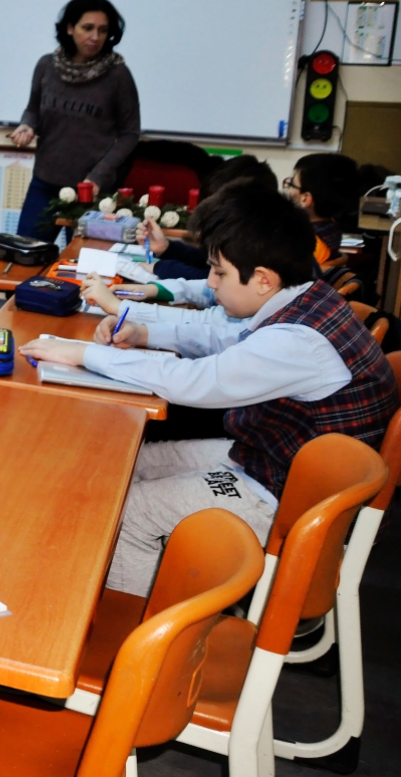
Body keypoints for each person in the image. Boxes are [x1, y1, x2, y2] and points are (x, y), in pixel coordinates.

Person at [22, 184, 397, 596]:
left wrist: (84, 354)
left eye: (219, 272)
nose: (211, 284)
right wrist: (144, 333)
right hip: (275, 462)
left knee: (130, 512)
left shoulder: (298, 341)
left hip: (290, 502)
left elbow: (196, 381)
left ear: (263, 279)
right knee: (122, 462)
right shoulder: (302, 298)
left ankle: (149, 629)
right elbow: (222, 336)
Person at [11, 0, 141, 238]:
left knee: (83, 259)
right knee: (27, 253)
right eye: (87, 28)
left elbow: (130, 134)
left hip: (92, 191)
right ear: (70, 28)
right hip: (45, 184)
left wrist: (98, 176)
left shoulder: (118, 76)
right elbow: (33, 109)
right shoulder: (46, 66)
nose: (95, 37)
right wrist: (28, 125)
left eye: (103, 30)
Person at [136, 154, 278, 282]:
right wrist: (166, 248)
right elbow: (208, 261)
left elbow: (214, 279)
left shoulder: (262, 243)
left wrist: (162, 267)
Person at [284, 152, 360, 264]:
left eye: (291, 183)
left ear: (305, 199)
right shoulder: (330, 227)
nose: (287, 189)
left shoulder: (303, 246)